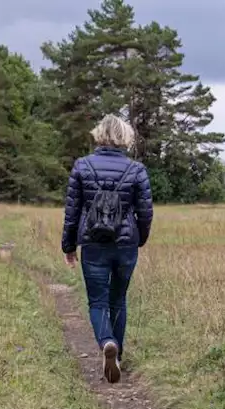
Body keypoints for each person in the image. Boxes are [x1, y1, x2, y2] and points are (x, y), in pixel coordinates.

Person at [61, 115, 154, 384]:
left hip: (93, 244)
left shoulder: (82, 165)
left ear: (98, 135)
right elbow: (146, 213)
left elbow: (72, 211)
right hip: (126, 245)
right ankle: (118, 355)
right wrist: (139, 239)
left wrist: (68, 246)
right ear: (125, 136)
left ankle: (106, 343)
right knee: (118, 300)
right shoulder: (137, 170)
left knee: (98, 302)